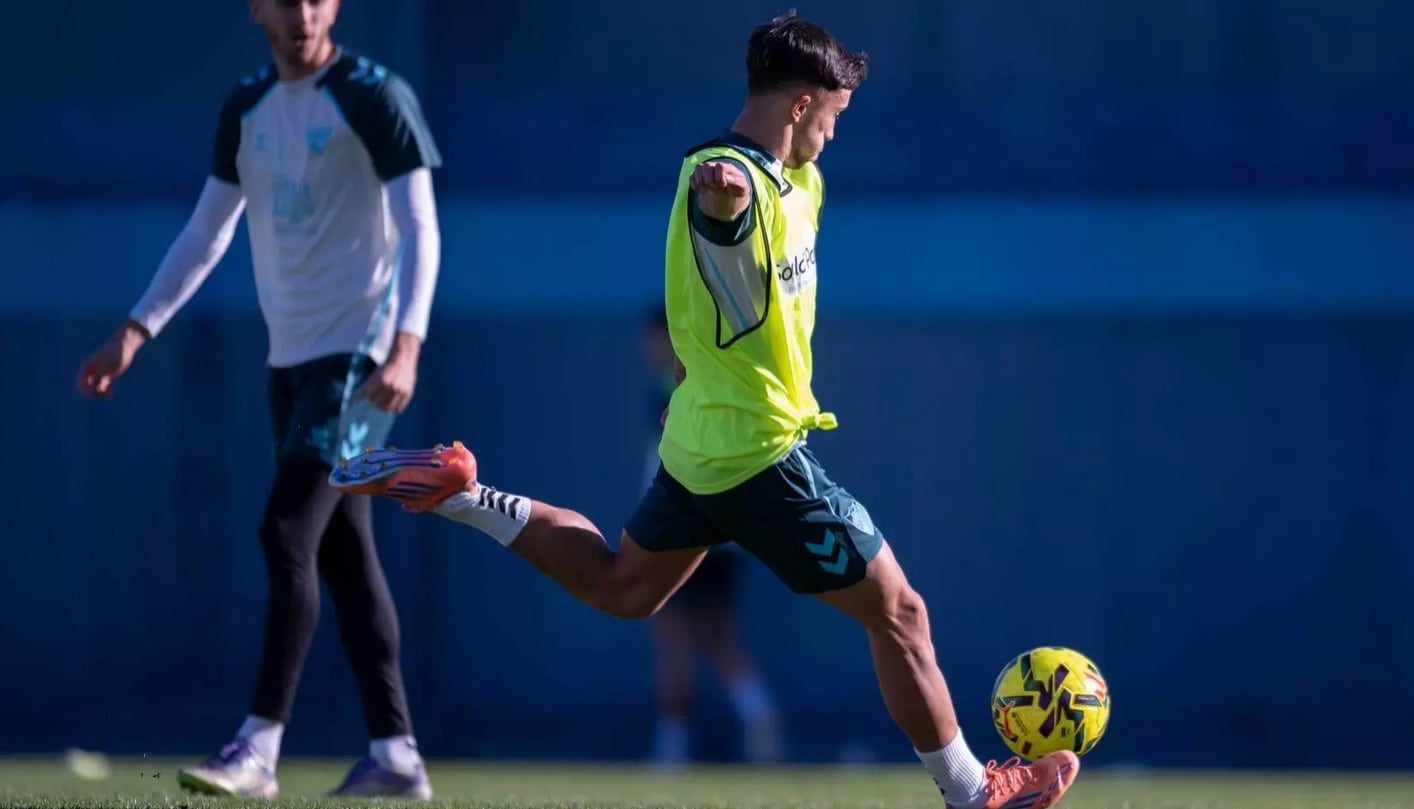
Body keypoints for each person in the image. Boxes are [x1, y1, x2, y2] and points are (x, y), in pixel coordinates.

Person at [331, 12, 1079, 809]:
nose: (834, 131)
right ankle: (974, 792)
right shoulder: (721, 178)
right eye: (831, 114)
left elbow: (736, 280)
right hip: (758, 455)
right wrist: (722, 207)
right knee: (900, 612)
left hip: (700, 441)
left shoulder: (802, 182)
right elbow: (721, 220)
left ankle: (460, 492)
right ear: (800, 103)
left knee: (625, 588)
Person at [75, 0, 440, 800]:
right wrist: (135, 330)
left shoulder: (374, 94)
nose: (301, 12)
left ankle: (257, 747)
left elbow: (419, 223)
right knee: (342, 553)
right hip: (291, 361)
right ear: (257, 9)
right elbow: (206, 232)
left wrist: (407, 343)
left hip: (357, 358)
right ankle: (396, 752)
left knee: (285, 531)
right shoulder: (248, 106)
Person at [639, 307, 783, 768]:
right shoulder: (706, 382)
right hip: (724, 533)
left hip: (686, 529)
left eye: (658, 338)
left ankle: (672, 745)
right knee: (715, 636)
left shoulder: (679, 385)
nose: (651, 348)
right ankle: (758, 714)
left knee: (674, 636)